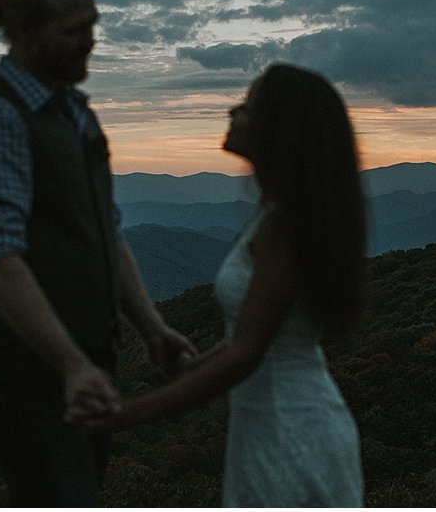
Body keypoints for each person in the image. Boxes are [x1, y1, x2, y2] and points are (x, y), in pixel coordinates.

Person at [0, 0, 196, 507]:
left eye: (93, 26)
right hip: (22, 361)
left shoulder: (75, 113)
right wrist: (71, 364)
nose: (90, 42)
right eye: (74, 29)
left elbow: (106, 230)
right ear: (25, 31)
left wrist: (151, 329)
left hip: (82, 359)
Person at [74, 63, 368, 506]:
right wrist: (191, 368)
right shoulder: (280, 216)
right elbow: (253, 340)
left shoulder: (282, 228)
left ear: (278, 128)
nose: (232, 111)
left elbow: (247, 355)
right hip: (278, 421)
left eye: (247, 107)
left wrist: (126, 415)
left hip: (290, 430)